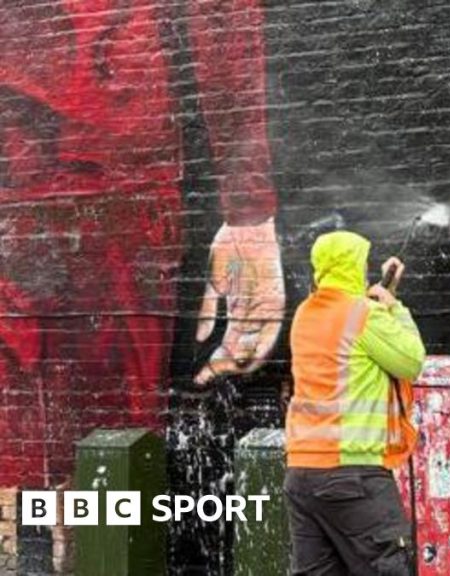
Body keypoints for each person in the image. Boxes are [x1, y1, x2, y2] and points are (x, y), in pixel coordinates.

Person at [0, 0, 284, 488]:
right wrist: (248, 210)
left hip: (84, 151)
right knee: (112, 454)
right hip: (114, 148)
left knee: (39, 452)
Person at [285, 231, 424, 576]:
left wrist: (377, 300)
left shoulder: (304, 315)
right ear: (351, 267)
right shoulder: (364, 315)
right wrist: (394, 307)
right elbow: (411, 361)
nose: (364, 272)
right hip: (352, 473)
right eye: (361, 265)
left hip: (302, 475)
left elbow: (344, 331)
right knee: (390, 567)